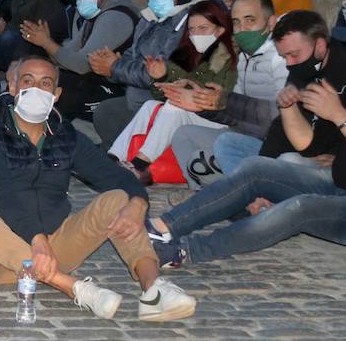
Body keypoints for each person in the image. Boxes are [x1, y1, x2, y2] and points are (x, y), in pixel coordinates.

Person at [0, 55, 196, 322]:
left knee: (119, 199)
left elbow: (115, 176)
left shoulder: (65, 136)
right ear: (13, 87)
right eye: (28, 81)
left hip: (55, 248)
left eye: (45, 83)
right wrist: (37, 241)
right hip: (2, 256)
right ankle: (75, 288)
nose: (36, 90)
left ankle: (154, 289)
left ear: (56, 93)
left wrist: (138, 203)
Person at [147, 110, 346, 269]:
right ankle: (163, 227)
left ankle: (185, 252)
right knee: (257, 168)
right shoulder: (317, 74)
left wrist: (338, 115)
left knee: (300, 207)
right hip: (335, 177)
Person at [106, 0, 238, 184]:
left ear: (220, 29)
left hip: (221, 119)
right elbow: (160, 96)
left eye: (203, 28)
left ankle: (140, 164)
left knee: (175, 106)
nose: (196, 34)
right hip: (197, 113)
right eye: (192, 30)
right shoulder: (188, 53)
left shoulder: (231, 57)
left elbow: (225, 97)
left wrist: (191, 89)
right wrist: (160, 77)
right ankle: (114, 157)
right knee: (150, 105)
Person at [170, 0, 288, 187]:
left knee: (217, 150)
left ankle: (246, 197)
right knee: (184, 135)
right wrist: (206, 105)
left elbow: (279, 114)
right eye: (236, 22)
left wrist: (226, 100)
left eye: (250, 20)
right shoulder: (244, 58)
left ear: (270, 22)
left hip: (272, 143)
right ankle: (202, 195)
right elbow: (237, 116)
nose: (242, 29)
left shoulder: (280, 57)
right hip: (244, 135)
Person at [91, 0, 218, 148]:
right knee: (105, 111)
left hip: (163, 100)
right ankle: (123, 154)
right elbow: (131, 55)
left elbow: (158, 72)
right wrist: (110, 64)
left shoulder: (189, 23)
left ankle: (135, 159)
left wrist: (115, 67)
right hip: (136, 97)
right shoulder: (148, 18)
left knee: (111, 113)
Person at [210, 9, 346, 175]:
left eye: (293, 55)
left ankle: (255, 189)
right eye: (284, 57)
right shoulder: (301, 71)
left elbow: (314, 148)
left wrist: (339, 156)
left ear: (320, 45)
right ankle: (253, 191)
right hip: (305, 151)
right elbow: (286, 134)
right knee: (227, 143)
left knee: (288, 161)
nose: (289, 63)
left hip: (332, 165)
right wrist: (287, 107)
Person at [22, 0, 140, 121]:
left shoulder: (114, 17)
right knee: (40, 78)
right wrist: (45, 44)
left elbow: (81, 64)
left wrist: (46, 42)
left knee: (58, 91)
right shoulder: (92, 17)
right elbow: (66, 56)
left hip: (121, 91)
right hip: (95, 81)